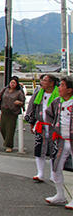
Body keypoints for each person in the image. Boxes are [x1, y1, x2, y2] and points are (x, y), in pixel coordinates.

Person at [24, 74, 59, 182]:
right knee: (39, 149)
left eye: (44, 80)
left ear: (51, 83)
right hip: (41, 125)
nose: (42, 82)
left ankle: (54, 174)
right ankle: (40, 173)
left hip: (54, 126)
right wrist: (31, 122)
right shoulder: (38, 92)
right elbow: (31, 107)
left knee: (55, 151)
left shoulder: (59, 94)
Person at [45, 75, 73, 208]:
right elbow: (48, 114)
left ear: (70, 89)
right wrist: (54, 127)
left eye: (62, 85)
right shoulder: (57, 102)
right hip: (62, 140)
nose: (60, 88)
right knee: (56, 168)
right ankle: (60, 194)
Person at [0, 76, 26, 153]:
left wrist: (19, 103)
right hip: (4, 111)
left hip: (13, 112)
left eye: (14, 83)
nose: (12, 84)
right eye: (11, 82)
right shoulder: (5, 89)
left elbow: (23, 101)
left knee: (10, 130)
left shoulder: (19, 92)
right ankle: (6, 141)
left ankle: (9, 145)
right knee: (2, 128)